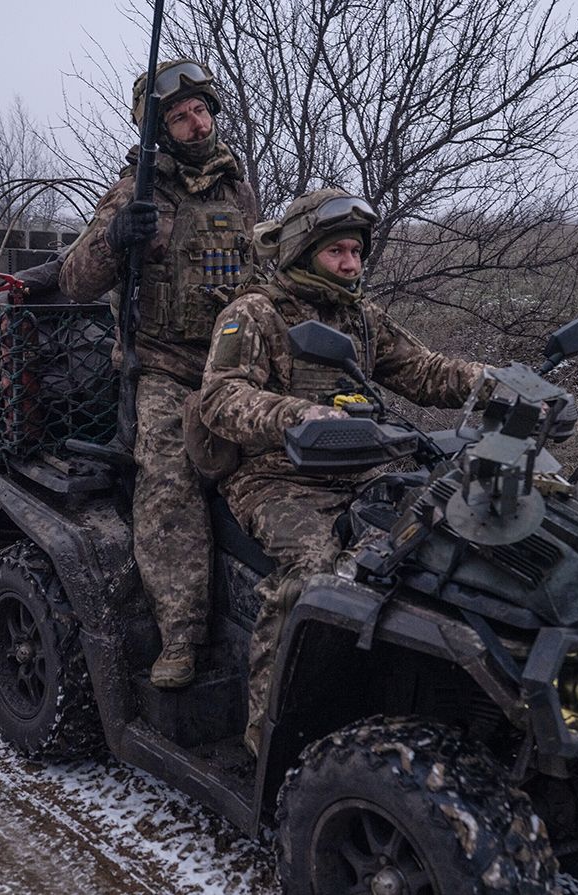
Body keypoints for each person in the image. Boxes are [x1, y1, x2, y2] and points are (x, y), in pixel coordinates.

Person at [197, 188, 489, 753]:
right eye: (338, 253)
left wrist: (493, 382)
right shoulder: (254, 313)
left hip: (361, 471)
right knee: (314, 573)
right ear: (307, 252)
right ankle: (268, 730)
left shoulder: (358, 315)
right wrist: (295, 414)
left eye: (356, 251)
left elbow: (423, 370)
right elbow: (219, 398)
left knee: (436, 552)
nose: (351, 263)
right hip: (277, 478)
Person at [57, 59, 261, 689]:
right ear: (160, 128)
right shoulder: (136, 190)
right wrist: (117, 236)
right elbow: (74, 282)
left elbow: (260, 272)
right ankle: (181, 637)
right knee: (169, 484)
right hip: (164, 369)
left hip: (234, 364)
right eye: (179, 115)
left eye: (201, 110)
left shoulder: (237, 187)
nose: (196, 123)